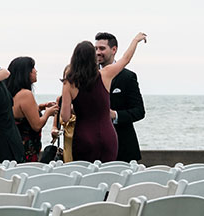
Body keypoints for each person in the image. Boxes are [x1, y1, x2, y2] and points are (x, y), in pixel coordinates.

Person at [59, 33, 147, 162]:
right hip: (107, 135)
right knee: (108, 174)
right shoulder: (105, 74)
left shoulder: (69, 83)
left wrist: (78, 109)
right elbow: (126, 59)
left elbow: (65, 117)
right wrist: (135, 41)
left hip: (84, 135)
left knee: (86, 176)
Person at [95, 32, 146, 161]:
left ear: (114, 50)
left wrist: (115, 115)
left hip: (123, 146)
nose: (97, 52)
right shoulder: (89, 75)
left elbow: (139, 111)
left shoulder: (128, 77)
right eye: (95, 48)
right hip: (94, 146)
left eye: (102, 48)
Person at [6, 56, 58, 162]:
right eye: (33, 68)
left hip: (14, 148)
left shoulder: (13, 93)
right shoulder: (26, 94)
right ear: (26, 72)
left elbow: (22, 115)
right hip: (27, 149)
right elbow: (36, 125)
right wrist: (48, 113)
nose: (36, 71)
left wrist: (40, 107)